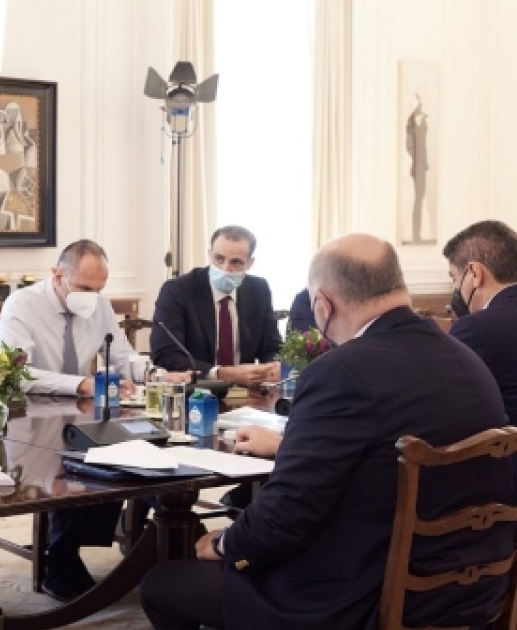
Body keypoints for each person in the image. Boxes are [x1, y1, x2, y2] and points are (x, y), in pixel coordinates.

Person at [139, 234, 515, 630]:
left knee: (163, 584)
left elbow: (286, 516)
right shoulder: (465, 356)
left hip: (364, 598)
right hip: (474, 587)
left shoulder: (341, 371)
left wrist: (224, 543)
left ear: (322, 304)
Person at [0, 239, 171, 602]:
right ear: (57, 275)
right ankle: (60, 558)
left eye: (98, 289)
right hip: (25, 415)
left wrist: (152, 374)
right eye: (84, 287)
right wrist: (81, 383)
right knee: (70, 471)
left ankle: (71, 549)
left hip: (80, 410)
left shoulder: (99, 305)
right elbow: (18, 374)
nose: (92, 296)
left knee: (116, 459)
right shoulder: (22, 304)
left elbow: (122, 356)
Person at [150, 225, 281, 387]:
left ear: (249, 263)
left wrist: (274, 366)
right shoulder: (178, 290)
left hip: (246, 391)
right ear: (210, 254)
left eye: (236, 262)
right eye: (219, 259)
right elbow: (165, 355)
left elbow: (272, 347)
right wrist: (222, 373)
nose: (226, 268)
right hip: (195, 391)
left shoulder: (259, 290)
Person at [442, 220, 517, 426]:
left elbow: (443, 402)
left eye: (454, 278)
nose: (455, 288)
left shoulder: (476, 329)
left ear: (475, 273)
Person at [406, 95, 430, 243]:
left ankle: (417, 234)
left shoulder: (423, 120)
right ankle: (415, 234)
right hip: (417, 167)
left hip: (422, 165)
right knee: (417, 200)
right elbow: (409, 146)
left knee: (420, 199)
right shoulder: (411, 122)